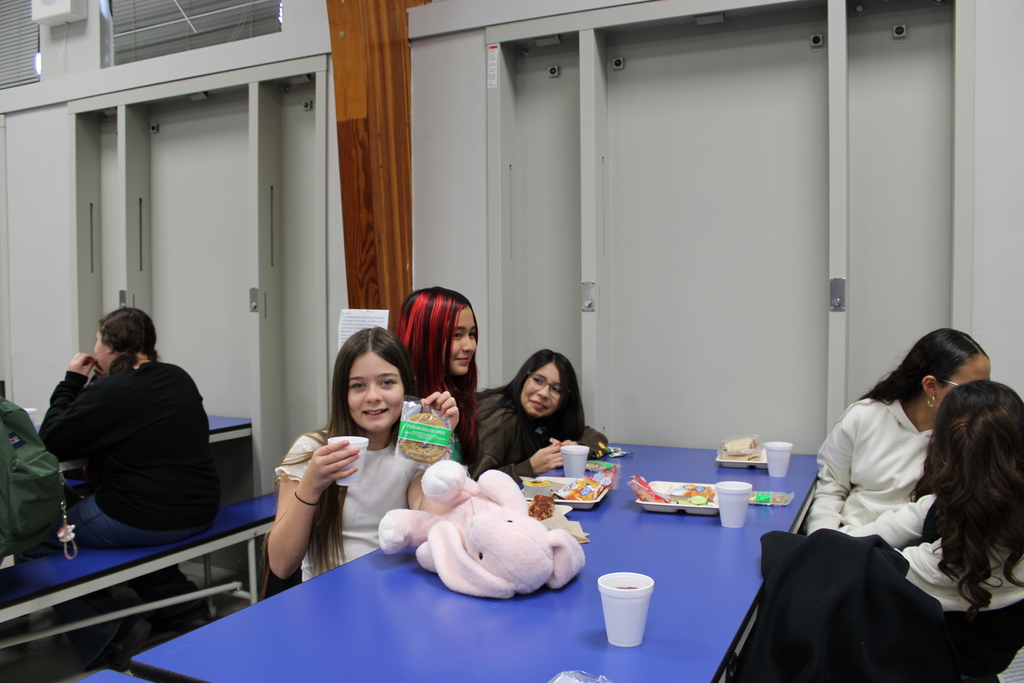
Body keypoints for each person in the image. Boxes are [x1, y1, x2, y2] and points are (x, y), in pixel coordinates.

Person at [23, 308, 220, 671]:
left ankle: (108, 632)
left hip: (148, 518)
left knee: (38, 538)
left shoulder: (112, 390)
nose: (94, 348)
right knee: (101, 510)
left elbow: (51, 442)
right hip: (200, 509)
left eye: (97, 341)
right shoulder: (177, 377)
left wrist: (71, 381)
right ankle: (178, 603)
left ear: (110, 346)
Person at [846, 380, 1024, 678]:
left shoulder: (958, 548)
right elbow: (885, 532)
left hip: (931, 666)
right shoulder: (940, 507)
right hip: (984, 666)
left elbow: (881, 567)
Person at [266, 327, 458, 582]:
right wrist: (311, 486)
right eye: (358, 386)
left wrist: (437, 443)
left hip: (397, 593)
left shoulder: (412, 451)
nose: (373, 396)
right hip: (329, 597)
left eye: (387, 382)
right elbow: (280, 565)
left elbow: (434, 535)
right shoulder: (312, 450)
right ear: (342, 394)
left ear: (406, 387)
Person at [804, 328, 989, 534]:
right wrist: (820, 540)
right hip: (848, 540)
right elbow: (830, 491)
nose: (982, 399)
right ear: (931, 385)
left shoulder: (969, 435)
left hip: (913, 552)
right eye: (971, 389)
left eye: (987, 387)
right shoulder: (865, 416)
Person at [471, 349, 607, 481]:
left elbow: (597, 438)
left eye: (556, 389)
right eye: (538, 380)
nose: (544, 393)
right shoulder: (500, 415)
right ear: (523, 378)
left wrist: (574, 447)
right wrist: (531, 467)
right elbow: (476, 480)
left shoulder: (545, 418)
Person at [396, 287, 479, 467]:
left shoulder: (457, 396)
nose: (470, 346)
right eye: (457, 335)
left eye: (471, 334)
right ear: (424, 338)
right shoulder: (404, 406)